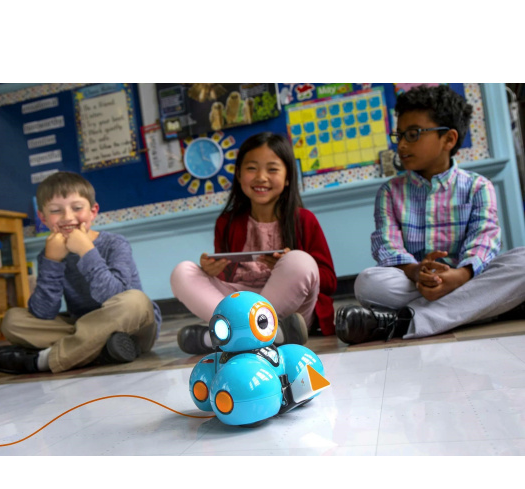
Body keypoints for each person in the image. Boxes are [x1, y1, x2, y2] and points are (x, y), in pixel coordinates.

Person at [336, 84, 525, 345]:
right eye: (399, 135)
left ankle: (405, 321)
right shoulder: (390, 192)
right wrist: (416, 271)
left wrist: (459, 276)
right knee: (368, 282)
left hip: (467, 276)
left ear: (448, 139)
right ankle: (484, 306)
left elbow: (484, 241)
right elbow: (387, 246)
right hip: (416, 280)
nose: (402, 145)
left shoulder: (478, 186)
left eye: (413, 134)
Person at [170, 131, 337, 355]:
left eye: (272, 169)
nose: (261, 177)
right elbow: (227, 280)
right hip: (242, 300)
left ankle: (219, 337)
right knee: (182, 272)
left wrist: (285, 263)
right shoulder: (227, 222)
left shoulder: (303, 220)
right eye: (251, 168)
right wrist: (213, 271)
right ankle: (268, 335)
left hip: (288, 308)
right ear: (239, 175)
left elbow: (329, 281)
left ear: (288, 177)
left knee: (300, 261)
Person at [0, 171, 162, 375]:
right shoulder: (49, 253)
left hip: (133, 329)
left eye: (77, 208)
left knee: (136, 301)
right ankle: (101, 350)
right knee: (13, 320)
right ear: (43, 218)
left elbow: (115, 296)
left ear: (93, 211)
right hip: (84, 325)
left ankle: (43, 360)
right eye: (56, 210)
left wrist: (86, 251)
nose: (68, 217)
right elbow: (43, 313)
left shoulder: (115, 244)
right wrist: (52, 261)